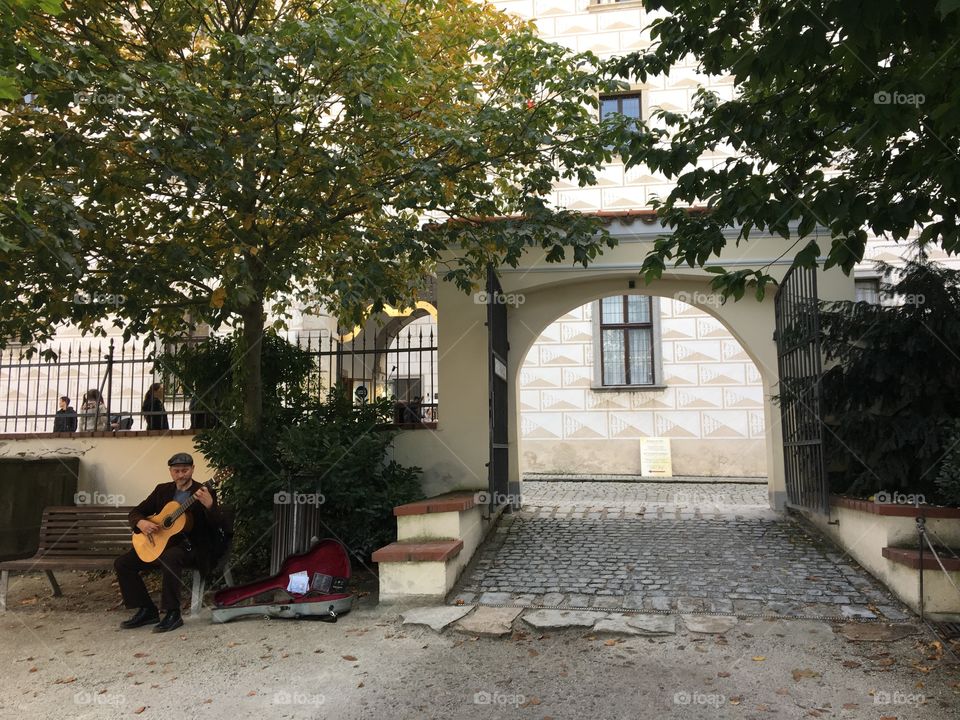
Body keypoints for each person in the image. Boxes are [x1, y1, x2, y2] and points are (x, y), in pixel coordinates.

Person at [113, 452, 224, 633]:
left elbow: (217, 525)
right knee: (123, 563)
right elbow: (136, 512)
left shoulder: (203, 491)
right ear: (171, 472)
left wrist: (210, 506)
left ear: (193, 469)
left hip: (191, 547)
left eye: (185, 470)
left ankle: (173, 613)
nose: (181, 475)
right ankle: (147, 610)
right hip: (160, 544)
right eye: (177, 471)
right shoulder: (162, 490)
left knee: (170, 557)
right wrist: (141, 522)